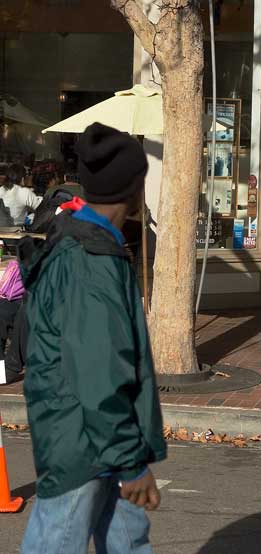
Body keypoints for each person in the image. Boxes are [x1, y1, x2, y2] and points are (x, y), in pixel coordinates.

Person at [19, 122, 166, 553]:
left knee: (127, 541)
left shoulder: (92, 244)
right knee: (57, 541)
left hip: (98, 438)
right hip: (83, 441)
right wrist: (131, 462)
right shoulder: (90, 260)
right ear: (134, 187)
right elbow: (100, 375)